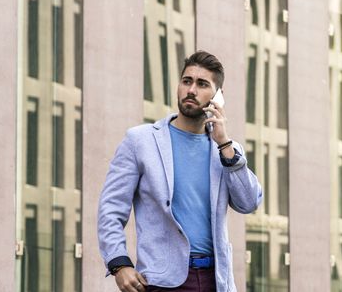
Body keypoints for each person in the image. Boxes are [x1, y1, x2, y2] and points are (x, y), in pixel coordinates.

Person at [98, 50, 263, 292]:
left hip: (216, 281)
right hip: (162, 282)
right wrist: (118, 264)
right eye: (187, 81)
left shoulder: (226, 150)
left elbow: (249, 203)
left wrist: (225, 144)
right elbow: (110, 208)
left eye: (202, 84)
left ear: (218, 96)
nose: (191, 90)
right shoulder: (140, 141)